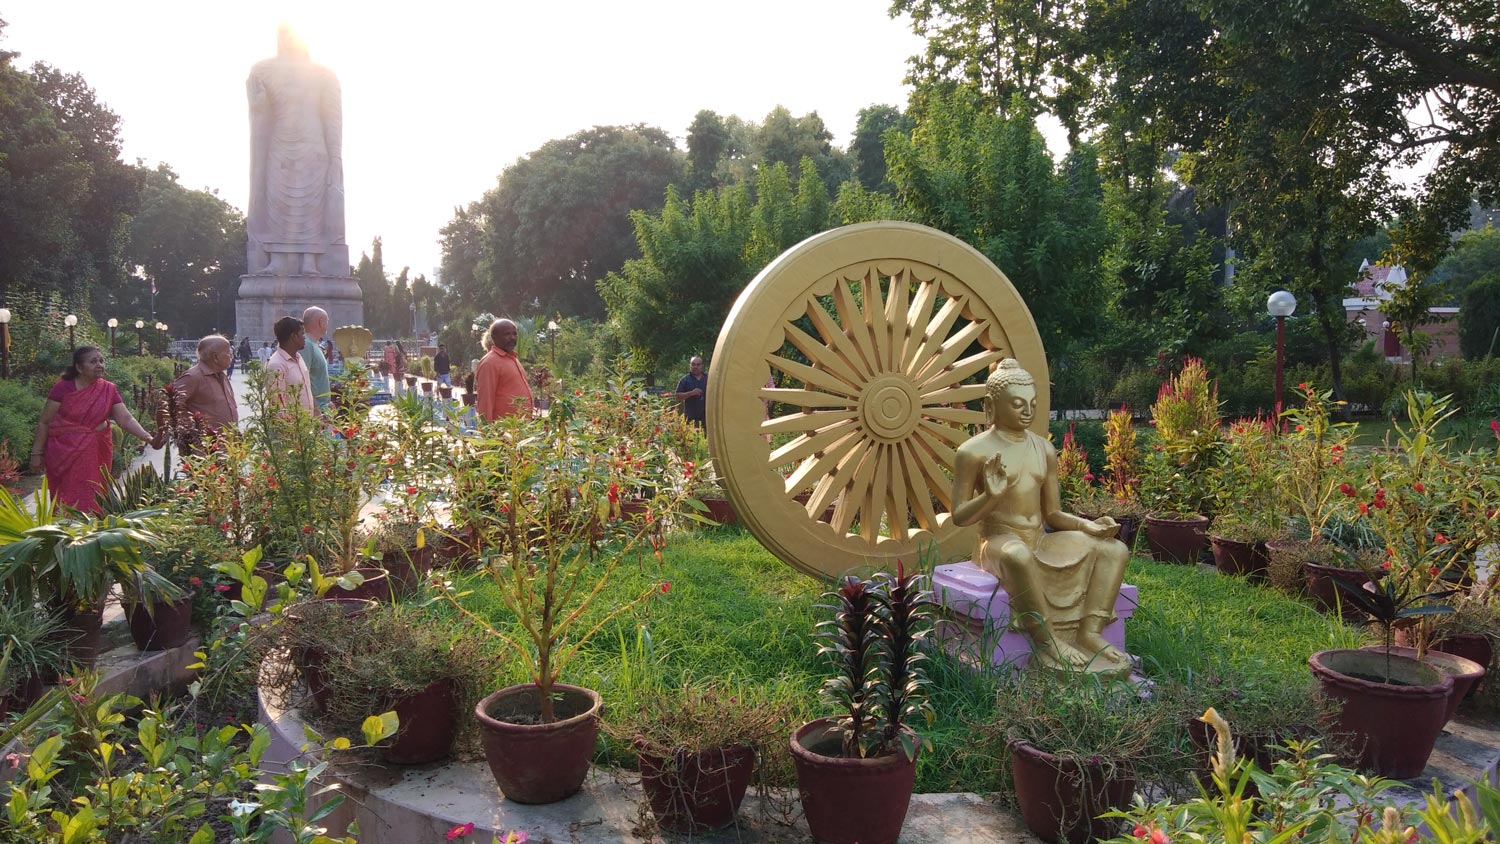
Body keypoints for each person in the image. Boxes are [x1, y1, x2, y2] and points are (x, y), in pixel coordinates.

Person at [950, 358, 1131, 676]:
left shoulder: (1043, 449)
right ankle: (1047, 642)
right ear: (991, 406)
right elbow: (960, 517)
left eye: (1032, 403)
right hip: (996, 541)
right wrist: (990, 497)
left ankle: (1089, 633)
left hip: (1039, 538)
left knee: (1114, 549)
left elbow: (1052, 513)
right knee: (1018, 555)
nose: (1027, 411)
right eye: (1017, 404)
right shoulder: (973, 451)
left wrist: (1087, 526)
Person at [246, 25, 346, 277]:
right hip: (279, 145)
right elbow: (262, 117)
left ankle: (309, 262)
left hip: (313, 146)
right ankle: (278, 259)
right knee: (277, 202)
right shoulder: (263, 70)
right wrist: (257, 107)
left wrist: (335, 156)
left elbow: (332, 118)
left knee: (311, 207)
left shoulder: (324, 75)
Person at [29, 347, 159, 513]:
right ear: (79, 367)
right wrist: (36, 454)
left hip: (96, 450)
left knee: (95, 491)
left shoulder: (108, 389)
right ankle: (68, 532)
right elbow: (44, 422)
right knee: (69, 497)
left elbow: (125, 419)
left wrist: (148, 437)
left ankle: (92, 531)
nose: (100, 365)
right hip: (65, 453)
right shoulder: (63, 388)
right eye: (93, 361)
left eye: (101, 361)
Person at [170, 335, 240, 434]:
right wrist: (191, 430)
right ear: (215, 357)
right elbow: (170, 404)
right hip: (205, 445)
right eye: (229, 354)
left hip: (229, 443)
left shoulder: (221, 375)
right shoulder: (193, 377)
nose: (231, 357)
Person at [475, 319, 534, 422]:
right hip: (502, 431)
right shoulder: (489, 363)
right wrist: (487, 433)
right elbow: (485, 401)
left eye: (514, 334)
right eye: (507, 334)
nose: (512, 338)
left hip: (519, 429)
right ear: (494, 337)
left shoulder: (513, 358)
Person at [266, 316, 315, 413]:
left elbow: (306, 389)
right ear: (294, 336)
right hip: (292, 426)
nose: (304, 337)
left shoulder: (299, 358)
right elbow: (277, 406)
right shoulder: (277, 365)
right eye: (302, 333)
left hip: (306, 424)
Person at [299, 306, 332, 411]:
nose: (327, 325)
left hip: (323, 408)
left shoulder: (314, 344)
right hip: (316, 411)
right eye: (327, 321)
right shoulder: (306, 345)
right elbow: (303, 380)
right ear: (321, 322)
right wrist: (316, 409)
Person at [674, 356, 708, 427]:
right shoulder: (685, 380)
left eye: (698, 364)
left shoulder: (708, 379)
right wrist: (691, 393)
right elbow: (677, 396)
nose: (695, 366)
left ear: (702, 366)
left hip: (706, 418)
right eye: (693, 364)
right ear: (690, 365)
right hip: (690, 418)